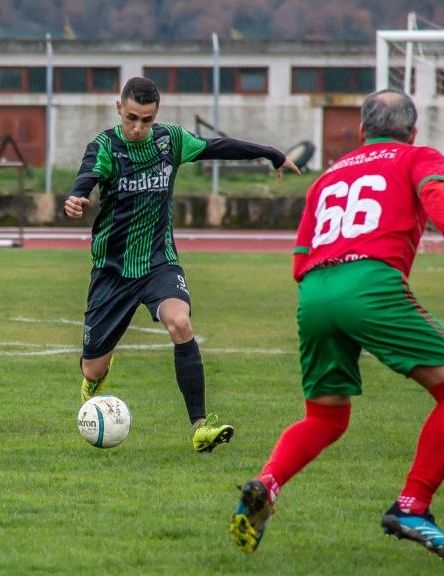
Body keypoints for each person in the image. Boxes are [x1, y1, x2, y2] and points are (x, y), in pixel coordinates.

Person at [229, 89, 444, 559]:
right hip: (368, 284)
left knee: (325, 417)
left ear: (363, 131)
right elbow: (435, 191)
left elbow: (299, 259)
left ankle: (267, 484)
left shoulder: (328, 175)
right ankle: (412, 506)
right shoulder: (417, 155)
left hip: (314, 294)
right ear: (412, 132)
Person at [64, 76, 300, 453]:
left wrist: (271, 152)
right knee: (93, 368)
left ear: (156, 115)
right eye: (131, 118)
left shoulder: (169, 141)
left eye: (146, 119)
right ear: (118, 110)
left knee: (180, 322)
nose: (138, 127)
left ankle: (200, 427)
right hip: (113, 270)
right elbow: (86, 179)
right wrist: (75, 199)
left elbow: (217, 146)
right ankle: (93, 384)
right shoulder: (106, 146)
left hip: (160, 262)